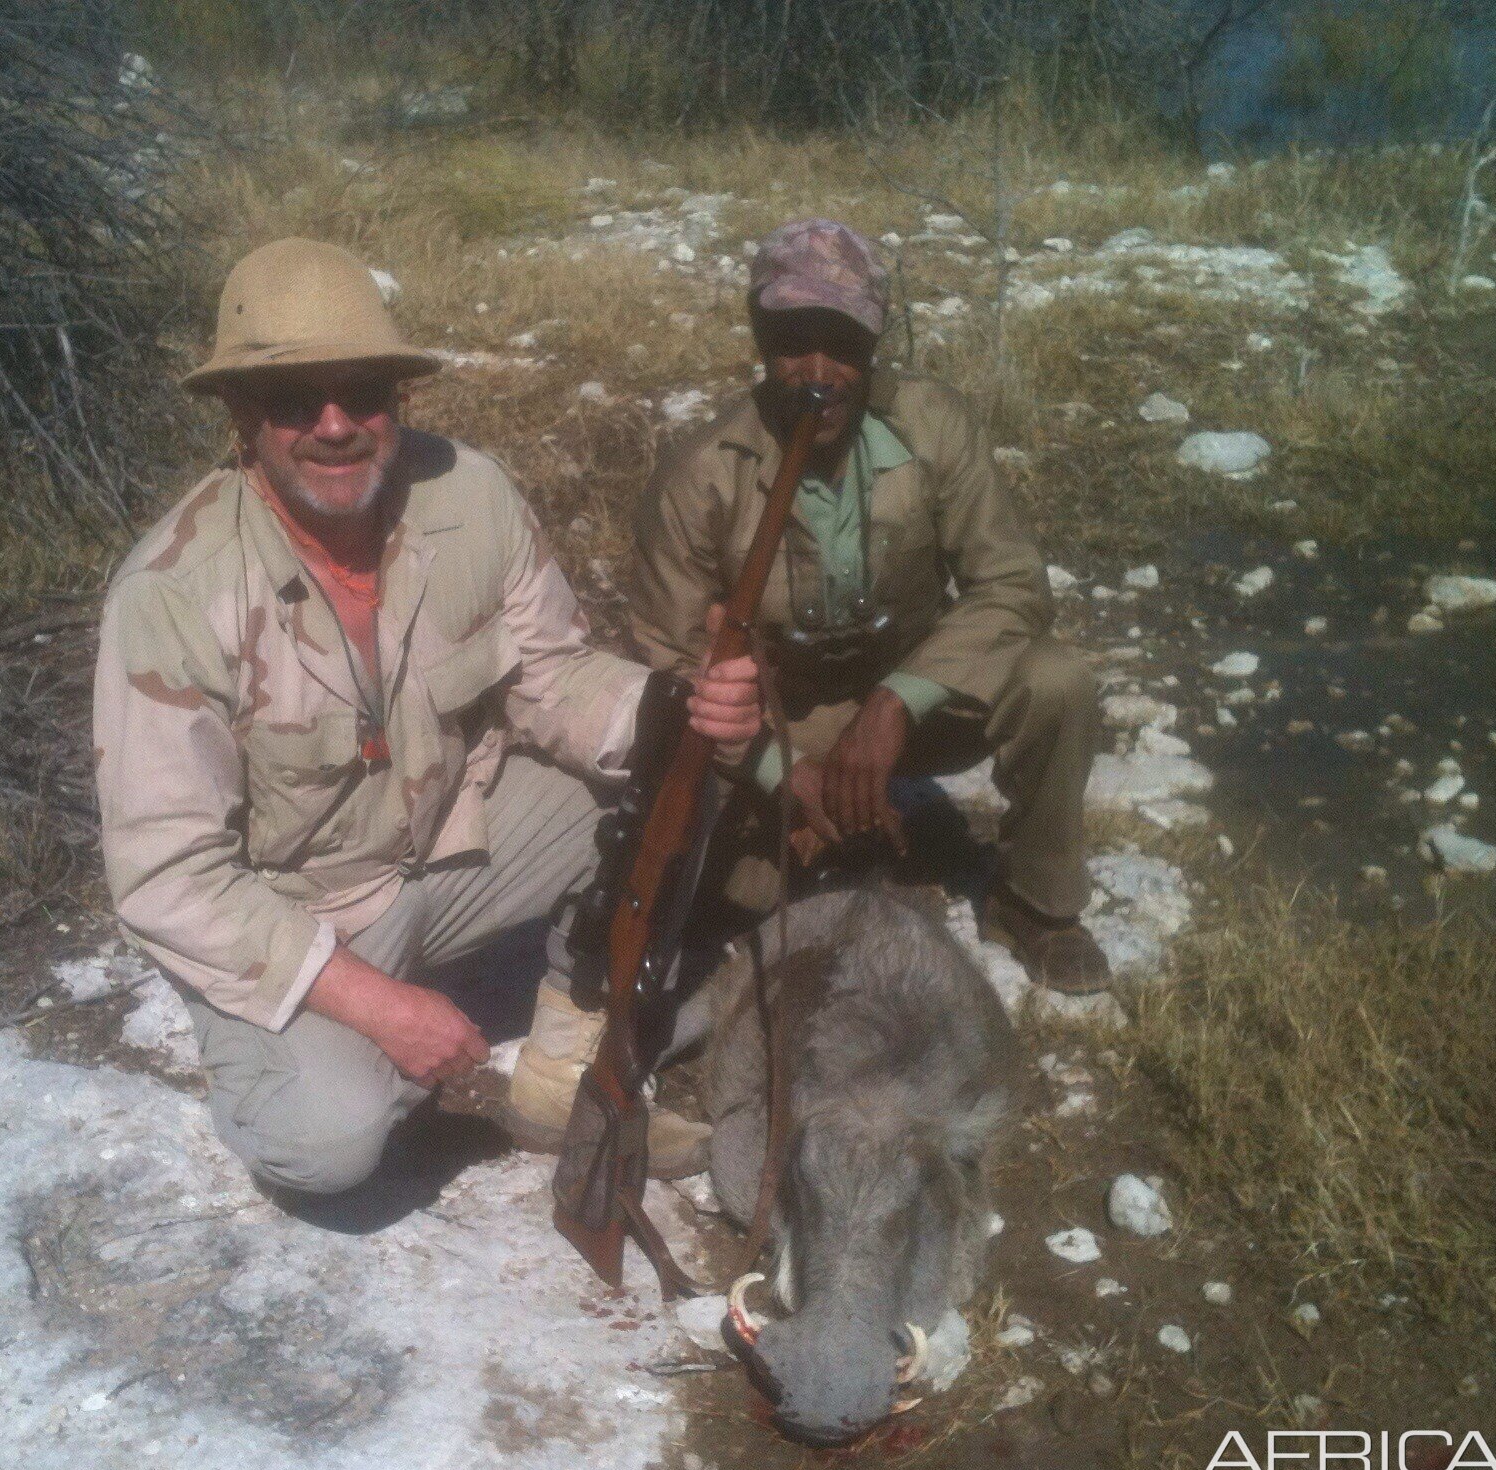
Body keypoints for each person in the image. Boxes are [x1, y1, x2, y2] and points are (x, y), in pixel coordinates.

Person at [93, 237, 760, 1199]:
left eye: (363, 391)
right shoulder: (168, 595)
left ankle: (558, 1071)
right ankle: (323, 1048)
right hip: (295, 913)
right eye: (294, 399)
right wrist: (379, 1007)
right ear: (241, 416)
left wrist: (672, 710)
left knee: (673, 778)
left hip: (447, 843)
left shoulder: (471, 494)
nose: (335, 425)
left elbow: (550, 673)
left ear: (397, 399)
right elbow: (167, 875)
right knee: (329, 1146)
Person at [628, 217, 1111, 994]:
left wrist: (897, 702)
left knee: (1057, 682)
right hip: (785, 722)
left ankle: (1035, 904)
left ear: (875, 345)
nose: (819, 372)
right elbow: (669, 656)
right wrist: (784, 771)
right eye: (792, 343)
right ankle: (811, 840)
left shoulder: (933, 425)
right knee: (736, 893)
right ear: (758, 339)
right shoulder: (699, 474)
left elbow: (1013, 583)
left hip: (914, 708)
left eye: (843, 344)